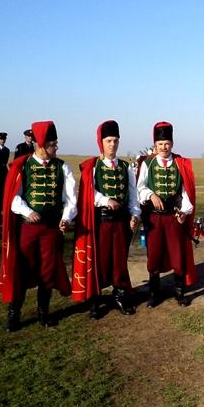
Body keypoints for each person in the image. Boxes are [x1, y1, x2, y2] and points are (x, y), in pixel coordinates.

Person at [0, 121, 77, 331]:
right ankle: (14, 314)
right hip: (29, 229)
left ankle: (44, 312)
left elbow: (71, 199)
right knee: (22, 269)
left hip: (51, 229)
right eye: (52, 143)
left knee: (48, 271)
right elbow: (14, 197)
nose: (56, 147)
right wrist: (28, 211)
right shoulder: (23, 166)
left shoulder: (63, 167)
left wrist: (66, 218)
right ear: (41, 145)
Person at [73, 120, 141, 318]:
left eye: (115, 140)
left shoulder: (125, 167)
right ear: (101, 142)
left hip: (121, 221)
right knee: (100, 260)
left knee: (119, 260)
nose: (113, 144)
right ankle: (95, 298)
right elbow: (88, 192)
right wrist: (105, 200)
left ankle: (119, 295)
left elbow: (133, 193)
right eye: (109, 140)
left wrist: (135, 214)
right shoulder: (93, 166)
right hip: (101, 221)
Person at [136, 121, 197, 307]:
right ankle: (154, 293)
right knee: (154, 254)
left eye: (167, 143)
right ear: (155, 145)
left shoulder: (180, 164)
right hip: (154, 218)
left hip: (173, 217)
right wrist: (151, 195)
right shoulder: (147, 163)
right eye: (160, 144)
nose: (164, 147)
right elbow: (140, 188)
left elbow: (186, 193)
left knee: (177, 253)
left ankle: (179, 292)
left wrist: (184, 211)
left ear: (172, 144)